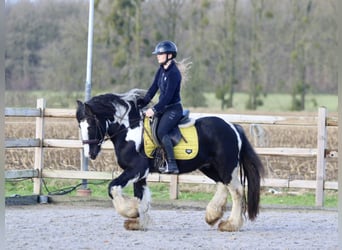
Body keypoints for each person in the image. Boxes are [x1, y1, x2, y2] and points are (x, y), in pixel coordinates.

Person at [138, 40, 183, 174]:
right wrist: (143, 102)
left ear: (169, 55)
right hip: (164, 108)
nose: (157, 56)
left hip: (173, 109)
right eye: (157, 54)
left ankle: (172, 164)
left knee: (161, 131)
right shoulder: (161, 70)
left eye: (160, 53)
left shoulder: (174, 73)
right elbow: (153, 89)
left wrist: (154, 109)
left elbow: (167, 97)